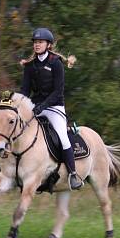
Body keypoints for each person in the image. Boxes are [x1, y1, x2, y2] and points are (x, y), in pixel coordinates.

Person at [19, 27, 82, 190]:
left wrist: (44, 106)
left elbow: (58, 91)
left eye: (40, 42)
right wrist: (20, 106)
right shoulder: (29, 66)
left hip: (54, 107)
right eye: (35, 42)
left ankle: (73, 174)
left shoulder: (55, 63)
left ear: (48, 45)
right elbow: (25, 92)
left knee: (62, 136)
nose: (37, 45)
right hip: (35, 107)